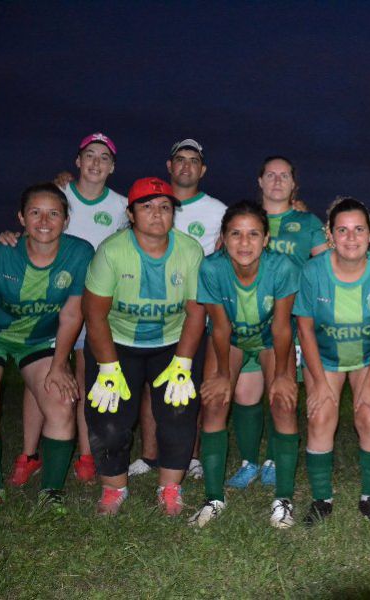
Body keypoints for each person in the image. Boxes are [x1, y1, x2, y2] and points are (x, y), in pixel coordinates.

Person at [0, 133, 126, 486]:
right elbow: (33, 226)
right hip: (48, 301)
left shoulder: (121, 205)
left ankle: (85, 454)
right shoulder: (59, 194)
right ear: (77, 161)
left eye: (104, 158)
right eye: (89, 156)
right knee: (39, 376)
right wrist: (9, 237)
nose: (96, 163)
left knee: (84, 376)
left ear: (112, 167)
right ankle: (30, 454)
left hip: (90, 303)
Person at [0, 183, 93, 514]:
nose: (44, 221)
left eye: (53, 213)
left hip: (38, 339)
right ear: (21, 217)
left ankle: (52, 491)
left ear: (66, 219)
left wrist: (59, 364)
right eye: (35, 212)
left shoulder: (79, 253)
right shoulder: (3, 253)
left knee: (62, 401)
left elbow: (72, 314)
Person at [82, 177, 205, 516]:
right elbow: (94, 316)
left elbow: (196, 311)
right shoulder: (112, 250)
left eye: (165, 207)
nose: (156, 214)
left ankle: (170, 487)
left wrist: (183, 363)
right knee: (109, 417)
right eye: (147, 206)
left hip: (172, 342)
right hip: (117, 342)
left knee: (179, 413)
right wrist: (108, 367)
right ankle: (113, 488)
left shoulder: (190, 250)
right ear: (131, 213)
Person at [294, 198, 370, 525]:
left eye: (359, 230)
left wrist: (369, 386)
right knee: (320, 415)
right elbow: (305, 328)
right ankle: (321, 499)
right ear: (330, 234)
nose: (351, 237)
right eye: (342, 230)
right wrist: (316, 384)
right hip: (325, 357)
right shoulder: (313, 270)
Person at [188, 201, 299, 528]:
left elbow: (281, 327)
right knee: (215, 401)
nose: (245, 242)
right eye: (235, 234)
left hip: (269, 338)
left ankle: (283, 499)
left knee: (283, 401)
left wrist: (281, 374)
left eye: (253, 234)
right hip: (232, 338)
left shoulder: (282, 267)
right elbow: (220, 327)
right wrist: (222, 374)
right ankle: (213, 497)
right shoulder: (211, 268)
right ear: (223, 237)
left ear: (266, 239)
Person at [224, 156, 327, 490]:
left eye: (285, 176)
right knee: (245, 393)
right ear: (260, 181)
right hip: (246, 322)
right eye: (271, 174)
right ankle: (249, 461)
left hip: (288, 321)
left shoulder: (307, 221)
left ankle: (273, 458)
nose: (278, 181)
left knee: (279, 392)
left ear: (294, 184)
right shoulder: (244, 219)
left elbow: (325, 266)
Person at [129, 138, 226, 481]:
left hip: (196, 311)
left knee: (191, 383)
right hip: (151, 311)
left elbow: (224, 254)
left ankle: (193, 455)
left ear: (203, 169)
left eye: (193, 160)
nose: (186, 166)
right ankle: (150, 455)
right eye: (179, 160)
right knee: (149, 386)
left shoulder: (217, 210)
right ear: (169, 166)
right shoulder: (150, 202)